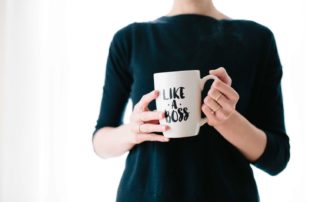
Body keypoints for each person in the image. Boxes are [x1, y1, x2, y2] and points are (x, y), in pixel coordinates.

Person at [92, 0, 290, 201]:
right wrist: (133, 131)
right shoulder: (130, 39)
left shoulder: (257, 39)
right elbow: (100, 142)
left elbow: (277, 158)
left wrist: (227, 120)